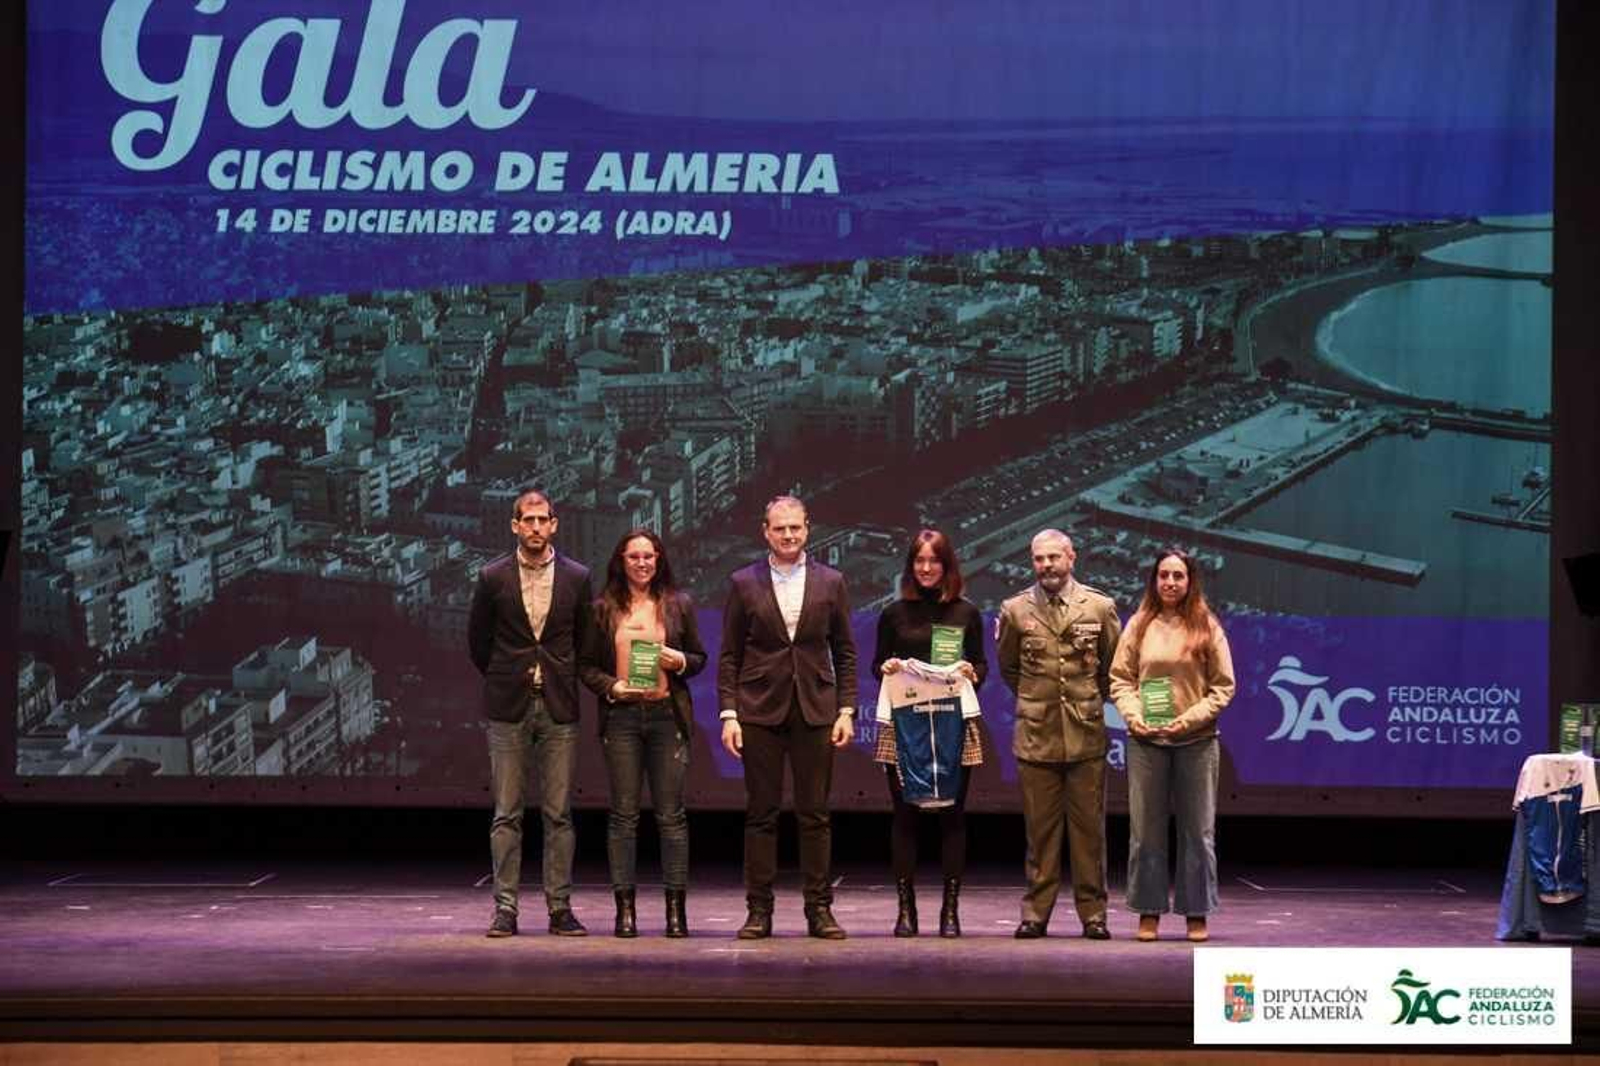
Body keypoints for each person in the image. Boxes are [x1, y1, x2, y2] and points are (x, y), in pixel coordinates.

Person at [718, 495, 859, 939]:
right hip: (759, 710)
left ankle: (819, 910)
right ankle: (759, 910)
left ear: (807, 528)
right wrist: (729, 713)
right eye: (780, 528)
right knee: (762, 813)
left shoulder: (831, 581)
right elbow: (729, 656)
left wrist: (847, 709)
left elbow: (846, 652)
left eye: (795, 527)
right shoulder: (743, 582)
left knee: (814, 814)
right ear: (765, 531)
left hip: (816, 710)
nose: (788, 535)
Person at [469, 489, 593, 938]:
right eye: (529, 520)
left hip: (558, 704)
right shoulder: (492, 577)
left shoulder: (578, 577)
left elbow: (584, 641)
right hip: (508, 705)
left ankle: (560, 908)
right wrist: (507, 675)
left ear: (554, 524)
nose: (537, 527)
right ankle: (506, 909)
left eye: (544, 519)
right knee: (508, 812)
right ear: (515, 525)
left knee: (558, 813)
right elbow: (478, 643)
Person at [579, 529, 707, 938]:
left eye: (649, 556)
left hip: (667, 717)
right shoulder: (602, 609)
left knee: (672, 817)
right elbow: (585, 666)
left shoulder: (677, 605)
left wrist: (680, 660)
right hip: (621, 719)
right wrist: (611, 687)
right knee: (624, 816)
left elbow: (700, 658)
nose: (642, 563)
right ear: (620, 561)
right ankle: (625, 911)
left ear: (659, 560)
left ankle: (676, 912)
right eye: (633, 556)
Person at [996, 528, 1121, 940]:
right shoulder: (1015, 610)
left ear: (1072, 557)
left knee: (1089, 833)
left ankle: (1094, 915)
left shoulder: (1100, 607)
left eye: (1053, 557)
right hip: (1036, 735)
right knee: (1041, 833)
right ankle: (1036, 913)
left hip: (1085, 735)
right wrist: (1039, 701)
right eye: (1038, 559)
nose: (1046, 565)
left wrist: (1085, 702)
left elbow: (1111, 669)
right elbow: (1010, 669)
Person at [1109, 549, 1235, 943]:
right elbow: (1120, 680)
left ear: (1189, 581)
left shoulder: (1206, 626)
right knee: (1146, 832)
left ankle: (1196, 912)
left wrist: (1190, 718)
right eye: (1164, 575)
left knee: (1198, 832)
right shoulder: (1138, 625)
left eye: (1178, 576)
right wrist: (1133, 716)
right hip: (1146, 742)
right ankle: (1149, 911)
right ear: (1154, 580)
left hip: (1196, 742)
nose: (1170, 583)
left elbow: (1223, 687)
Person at [871, 529, 987, 937]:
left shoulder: (966, 613)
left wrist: (973, 672)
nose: (925, 568)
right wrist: (886, 668)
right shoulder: (893, 613)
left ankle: (950, 912)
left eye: (933, 561)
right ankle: (906, 911)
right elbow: (876, 666)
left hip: (954, 723)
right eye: (919, 561)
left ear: (946, 565)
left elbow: (982, 667)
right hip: (905, 725)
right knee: (905, 816)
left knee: (952, 816)